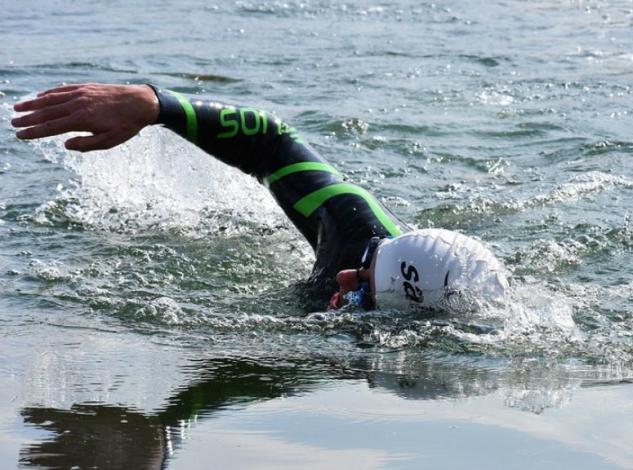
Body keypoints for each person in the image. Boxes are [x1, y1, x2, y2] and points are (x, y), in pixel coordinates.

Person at [11, 83, 508, 311]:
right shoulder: (355, 230)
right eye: (365, 262)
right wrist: (157, 105)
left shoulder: (394, 347)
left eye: (359, 290)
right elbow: (272, 141)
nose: (342, 274)